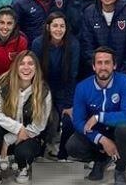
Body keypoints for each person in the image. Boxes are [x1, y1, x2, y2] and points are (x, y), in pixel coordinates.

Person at [67, 47, 126, 185]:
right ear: (93, 66)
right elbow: (79, 121)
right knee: (72, 146)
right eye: (99, 63)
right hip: (97, 134)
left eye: (107, 62)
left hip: (117, 132)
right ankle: (101, 160)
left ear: (114, 65)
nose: (103, 67)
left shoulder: (124, 82)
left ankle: (120, 169)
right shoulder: (82, 87)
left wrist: (99, 117)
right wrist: (101, 139)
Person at [0, 51, 51, 185]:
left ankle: (22, 166)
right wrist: (17, 128)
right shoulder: (4, 84)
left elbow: (39, 125)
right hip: (8, 129)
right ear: (15, 67)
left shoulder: (43, 91)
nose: (26, 67)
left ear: (36, 68)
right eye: (22, 64)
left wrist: (8, 140)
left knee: (23, 152)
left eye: (31, 64)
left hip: (30, 134)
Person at [30, 12, 80, 161]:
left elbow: (73, 75)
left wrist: (69, 104)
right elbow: (36, 75)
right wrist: (41, 98)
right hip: (44, 89)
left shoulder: (73, 44)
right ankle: (44, 147)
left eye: (62, 26)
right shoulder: (38, 43)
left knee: (69, 120)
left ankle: (63, 153)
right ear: (48, 27)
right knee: (50, 118)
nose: (59, 29)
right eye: (55, 26)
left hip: (65, 90)